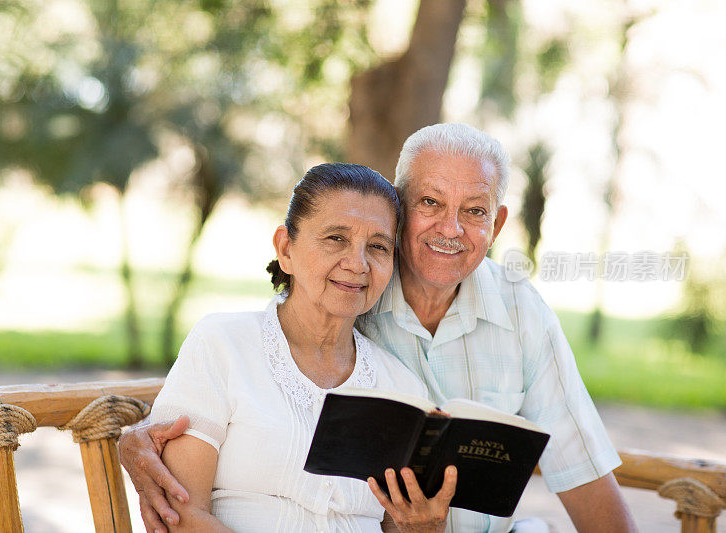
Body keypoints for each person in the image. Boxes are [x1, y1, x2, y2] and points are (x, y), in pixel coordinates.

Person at [120, 124, 638, 533]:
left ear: (497, 225)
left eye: (474, 211)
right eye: (430, 203)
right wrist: (140, 433)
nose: (451, 229)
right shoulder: (275, 323)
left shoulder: (499, 326)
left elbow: (583, 470)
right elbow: (185, 497)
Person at [145, 162, 457, 532]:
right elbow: (180, 517)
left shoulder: (403, 390)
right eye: (336, 238)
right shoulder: (222, 345)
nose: (357, 264)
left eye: (377, 246)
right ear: (286, 248)